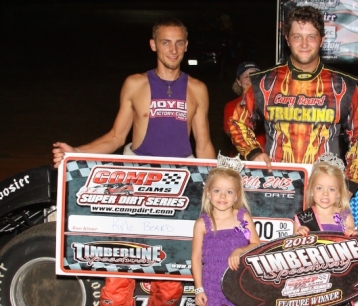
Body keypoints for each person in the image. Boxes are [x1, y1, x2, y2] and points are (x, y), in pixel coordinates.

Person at [52, 17, 216, 306]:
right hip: (136, 182)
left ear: (187, 46)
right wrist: (75, 152)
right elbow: (116, 137)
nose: (173, 49)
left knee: (171, 277)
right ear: (154, 45)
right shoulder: (136, 83)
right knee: (120, 268)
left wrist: (219, 184)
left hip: (181, 186)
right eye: (166, 42)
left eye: (179, 42)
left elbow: (203, 145)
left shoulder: (198, 89)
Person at [228, 6, 358, 196]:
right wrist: (253, 153)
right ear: (287, 39)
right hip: (276, 185)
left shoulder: (344, 85)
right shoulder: (264, 82)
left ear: (322, 40)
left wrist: (350, 183)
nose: (304, 43)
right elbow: (237, 123)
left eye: (311, 36)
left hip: (325, 193)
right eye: (297, 36)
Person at [191, 154, 260, 306]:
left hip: (241, 285)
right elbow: (196, 258)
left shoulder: (243, 218)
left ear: (237, 196)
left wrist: (240, 250)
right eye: (217, 191)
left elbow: (256, 244)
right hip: (212, 287)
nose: (223, 196)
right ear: (208, 193)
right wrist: (199, 289)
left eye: (229, 192)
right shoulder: (202, 224)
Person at [295, 152, 357, 237]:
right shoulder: (302, 219)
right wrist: (298, 235)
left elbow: (355, 245)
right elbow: (294, 249)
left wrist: (352, 233)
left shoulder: (345, 217)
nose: (325, 193)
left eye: (331, 189)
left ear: (339, 193)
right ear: (311, 190)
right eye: (319, 188)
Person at [223, 61, 265, 157]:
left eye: (254, 75)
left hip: (269, 158)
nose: (250, 79)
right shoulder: (232, 106)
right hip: (243, 159)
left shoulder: (271, 102)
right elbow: (233, 133)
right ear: (239, 82)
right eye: (245, 76)